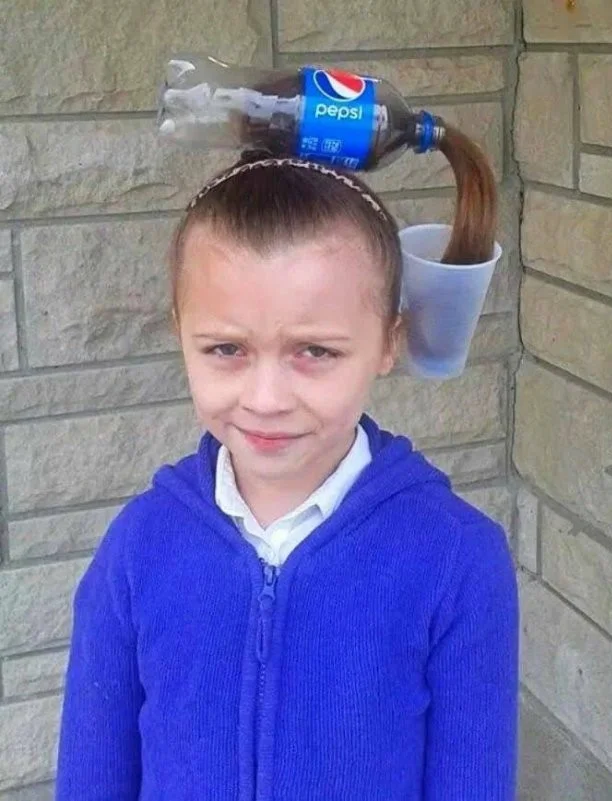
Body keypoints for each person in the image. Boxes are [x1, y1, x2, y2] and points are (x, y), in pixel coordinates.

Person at [55, 149, 519, 801]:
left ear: (389, 341)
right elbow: (91, 773)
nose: (266, 398)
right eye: (226, 348)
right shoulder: (137, 547)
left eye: (315, 351)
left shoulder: (458, 558)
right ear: (180, 332)